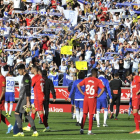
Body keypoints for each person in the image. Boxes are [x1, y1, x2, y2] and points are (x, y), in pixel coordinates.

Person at [77, 69, 105, 135]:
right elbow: (103, 88)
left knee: (84, 114)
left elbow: (78, 85)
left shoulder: (86, 79)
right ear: (96, 74)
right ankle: (89, 131)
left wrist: (82, 93)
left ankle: (81, 129)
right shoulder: (98, 81)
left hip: (86, 98)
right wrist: (98, 95)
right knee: (91, 114)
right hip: (92, 98)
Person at [14, 64, 38, 137]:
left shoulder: (26, 77)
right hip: (25, 98)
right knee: (27, 115)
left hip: (23, 98)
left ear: (23, 69)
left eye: (19, 70)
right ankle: (35, 131)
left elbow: (27, 90)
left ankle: (21, 132)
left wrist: (28, 101)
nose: (19, 72)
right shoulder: (25, 77)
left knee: (16, 113)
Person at [23, 66, 49, 132]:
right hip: (41, 96)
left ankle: (47, 127)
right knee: (34, 111)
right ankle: (29, 126)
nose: (30, 70)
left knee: (40, 112)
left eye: (31, 69)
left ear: (34, 70)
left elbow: (29, 85)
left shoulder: (35, 78)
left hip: (38, 98)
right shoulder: (42, 78)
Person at [0, 66, 13, 134]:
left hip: (0, 99)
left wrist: (0, 98)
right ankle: (9, 125)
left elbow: (3, 90)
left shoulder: (2, 78)